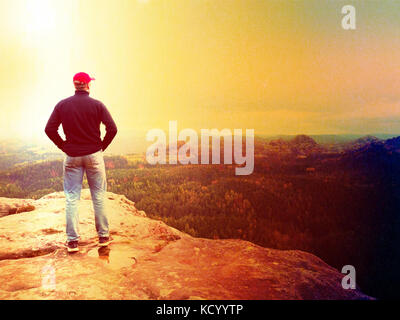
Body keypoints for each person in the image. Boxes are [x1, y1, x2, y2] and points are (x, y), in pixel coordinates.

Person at [45, 72, 118, 253]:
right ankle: (103, 237)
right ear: (88, 85)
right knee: (99, 196)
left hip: (72, 156)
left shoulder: (63, 105)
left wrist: (63, 145)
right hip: (94, 154)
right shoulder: (97, 105)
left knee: (71, 198)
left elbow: (49, 129)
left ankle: (72, 242)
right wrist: (101, 147)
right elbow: (112, 129)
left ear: (75, 85)